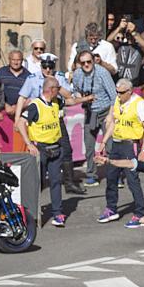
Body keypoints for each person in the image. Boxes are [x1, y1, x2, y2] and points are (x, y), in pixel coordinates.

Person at [15, 54, 90, 195]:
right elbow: (22, 98)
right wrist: (17, 118)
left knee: (67, 150)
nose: (48, 69)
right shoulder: (32, 78)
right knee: (41, 156)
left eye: (50, 67)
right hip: (38, 118)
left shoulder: (59, 77)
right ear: (41, 65)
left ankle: (69, 183)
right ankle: (39, 185)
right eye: (45, 66)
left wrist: (56, 85)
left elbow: (69, 96)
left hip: (56, 118)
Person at [96, 78, 144, 227]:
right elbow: (113, 123)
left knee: (132, 180)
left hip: (130, 144)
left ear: (129, 91)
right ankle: (111, 208)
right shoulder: (117, 101)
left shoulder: (139, 103)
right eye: (117, 92)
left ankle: (140, 212)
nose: (118, 95)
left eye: (121, 93)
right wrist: (103, 142)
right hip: (116, 143)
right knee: (111, 177)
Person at [17, 77, 66, 227]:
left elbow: (70, 100)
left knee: (56, 180)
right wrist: (29, 144)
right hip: (41, 149)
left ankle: (58, 213)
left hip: (56, 147)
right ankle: (31, 214)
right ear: (51, 90)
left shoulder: (57, 102)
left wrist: (86, 98)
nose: (60, 91)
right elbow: (20, 122)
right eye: (58, 88)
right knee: (37, 182)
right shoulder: (35, 105)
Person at [71, 51, 117, 187]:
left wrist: (110, 115)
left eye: (88, 62)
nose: (86, 65)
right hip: (90, 112)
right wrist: (80, 95)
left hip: (105, 111)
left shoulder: (102, 73)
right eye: (83, 62)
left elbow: (114, 96)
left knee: (110, 145)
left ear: (93, 61)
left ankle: (115, 174)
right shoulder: (78, 74)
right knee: (89, 145)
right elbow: (75, 90)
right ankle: (91, 174)